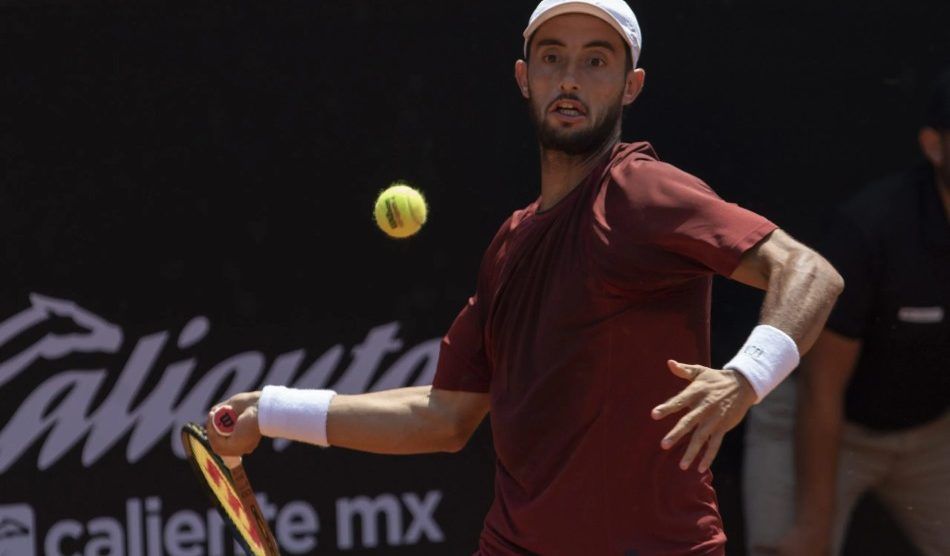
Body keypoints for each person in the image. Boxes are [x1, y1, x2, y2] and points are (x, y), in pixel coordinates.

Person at [208, 1, 843, 554]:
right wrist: (274, 410)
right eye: (552, 58)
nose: (569, 78)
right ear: (524, 77)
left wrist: (745, 377)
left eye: (596, 61)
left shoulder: (642, 192)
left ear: (631, 86)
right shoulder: (509, 245)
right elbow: (443, 416)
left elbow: (809, 272)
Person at [743, 69, 950, 556]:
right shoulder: (873, 229)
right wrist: (812, 526)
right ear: (934, 146)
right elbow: (822, 388)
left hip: (931, 434)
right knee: (794, 549)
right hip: (820, 420)